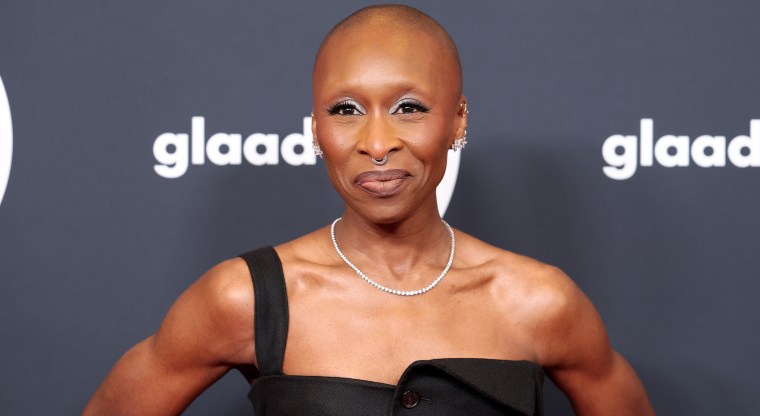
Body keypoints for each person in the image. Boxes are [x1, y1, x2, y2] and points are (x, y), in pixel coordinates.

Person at [84, 5, 653, 415]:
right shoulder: (246, 299)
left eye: (409, 107)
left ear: (457, 120)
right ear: (314, 129)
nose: (376, 141)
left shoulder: (540, 303)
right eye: (345, 109)